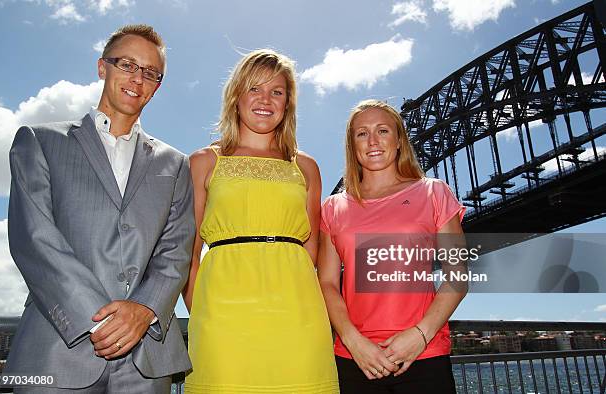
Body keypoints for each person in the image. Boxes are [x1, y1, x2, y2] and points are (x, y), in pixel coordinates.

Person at [5, 24, 195, 393]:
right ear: (101, 67)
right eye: (127, 64)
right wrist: (100, 321)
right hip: (56, 350)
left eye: (150, 73)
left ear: (157, 86)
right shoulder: (39, 141)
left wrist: (144, 311)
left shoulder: (176, 164)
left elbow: (176, 250)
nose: (138, 79)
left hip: (146, 361)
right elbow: (34, 240)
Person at [182, 49, 339, 393]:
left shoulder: (307, 167)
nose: (266, 100)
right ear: (236, 96)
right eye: (255, 89)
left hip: (297, 315)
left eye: (277, 92)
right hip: (221, 315)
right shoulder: (204, 162)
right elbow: (187, 255)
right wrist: (202, 314)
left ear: (288, 103)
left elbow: (311, 252)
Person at [317, 100, 467, 393]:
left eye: (382, 130)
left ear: (399, 140)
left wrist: (420, 336)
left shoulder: (434, 192)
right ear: (352, 145)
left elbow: (458, 275)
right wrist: (353, 341)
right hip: (356, 359)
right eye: (362, 134)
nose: (372, 141)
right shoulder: (333, 207)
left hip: (423, 355)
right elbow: (327, 283)